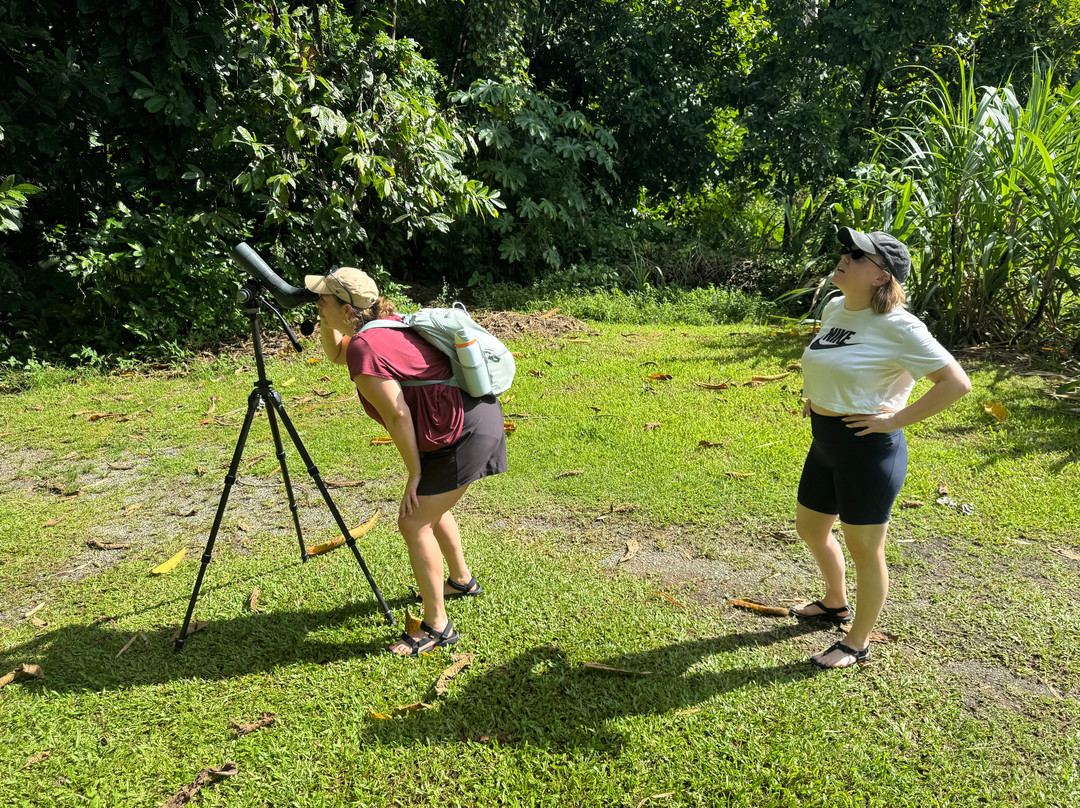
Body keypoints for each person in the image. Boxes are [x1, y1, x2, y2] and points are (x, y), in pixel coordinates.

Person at [791, 227, 971, 668]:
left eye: (857, 255)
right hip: (826, 442)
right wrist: (818, 398)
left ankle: (857, 641)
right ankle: (835, 602)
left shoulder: (902, 327)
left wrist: (893, 418)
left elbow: (956, 384)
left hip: (869, 451)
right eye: (847, 250)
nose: (845, 257)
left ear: (880, 277)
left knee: (865, 549)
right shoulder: (836, 308)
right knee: (811, 529)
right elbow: (837, 362)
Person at [306, 267, 507, 657]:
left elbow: (398, 415)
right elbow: (335, 353)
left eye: (323, 300)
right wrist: (324, 318)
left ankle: (437, 625)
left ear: (348, 311)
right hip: (465, 419)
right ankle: (461, 580)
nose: (316, 304)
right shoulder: (386, 326)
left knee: (413, 520)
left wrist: (414, 473)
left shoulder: (366, 348)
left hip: (464, 431)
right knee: (431, 507)